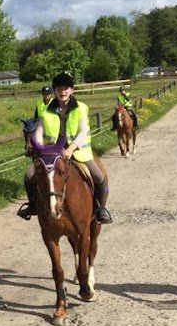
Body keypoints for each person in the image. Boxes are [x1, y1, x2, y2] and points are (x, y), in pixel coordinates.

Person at [17, 72, 112, 224]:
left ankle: (101, 210)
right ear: (55, 91)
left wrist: (71, 149)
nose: (62, 92)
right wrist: (40, 149)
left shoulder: (81, 108)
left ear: (72, 90)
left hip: (78, 152)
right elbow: (39, 133)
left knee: (99, 177)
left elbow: (83, 132)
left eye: (66, 88)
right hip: (53, 153)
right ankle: (32, 206)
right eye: (59, 89)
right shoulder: (46, 111)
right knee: (29, 176)